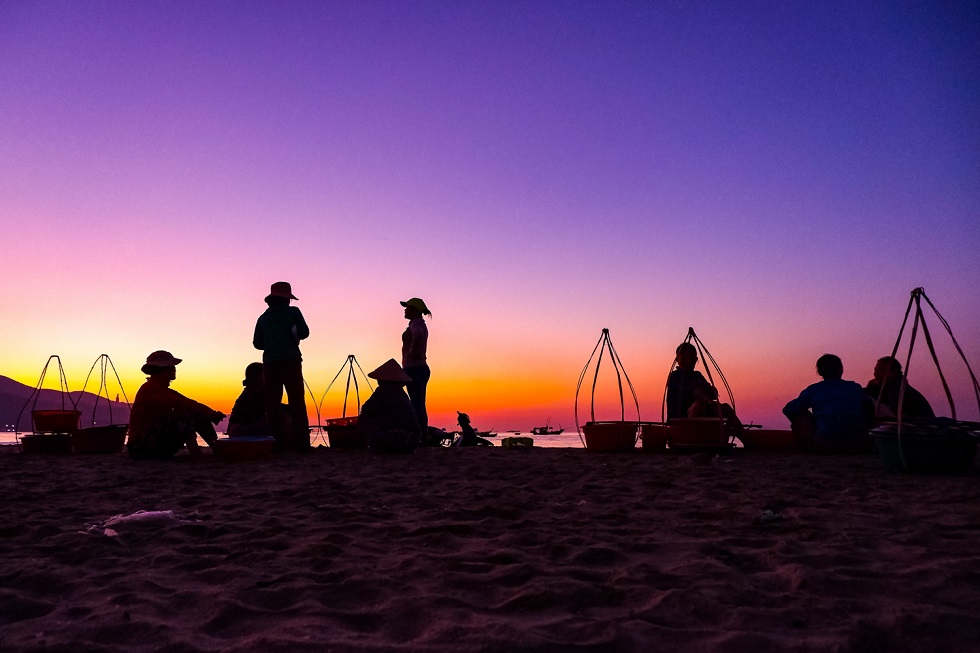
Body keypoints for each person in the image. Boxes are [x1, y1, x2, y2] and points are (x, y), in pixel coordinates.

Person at [127, 351, 225, 460]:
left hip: (152, 443)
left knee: (192, 411)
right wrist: (210, 413)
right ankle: (198, 452)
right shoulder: (150, 389)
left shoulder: (161, 389)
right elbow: (183, 404)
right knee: (185, 413)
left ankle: (217, 448)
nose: (174, 369)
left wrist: (210, 413)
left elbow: (189, 402)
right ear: (161, 369)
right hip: (141, 448)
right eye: (171, 367)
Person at [253, 281, 310, 452]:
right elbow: (305, 333)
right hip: (290, 361)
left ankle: (276, 444)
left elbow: (257, 344)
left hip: (270, 364)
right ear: (287, 299)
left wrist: (273, 343)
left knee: (272, 405)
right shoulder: (293, 312)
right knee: (297, 402)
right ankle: (302, 445)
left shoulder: (262, 318)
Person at [783, 354, 874, 453]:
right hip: (859, 443)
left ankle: (809, 446)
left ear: (820, 372)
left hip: (824, 444)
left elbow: (788, 409)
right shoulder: (854, 387)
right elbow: (869, 407)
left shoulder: (813, 390)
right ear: (841, 370)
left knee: (799, 414)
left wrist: (809, 421)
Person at [666, 342, 742, 427]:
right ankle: (692, 433)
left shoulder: (697, 375)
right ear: (677, 360)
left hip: (701, 417)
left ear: (695, 359)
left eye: (691, 358)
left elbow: (714, 393)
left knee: (725, 408)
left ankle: (745, 437)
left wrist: (710, 395)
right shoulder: (675, 376)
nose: (687, 361)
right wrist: (708, 400)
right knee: (699, 404)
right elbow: (693, 388)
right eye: (683, 358)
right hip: (679, 421)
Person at [358, 359, 420, 454]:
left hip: (399, 437)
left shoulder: (383, 390)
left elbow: (367, 409)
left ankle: (378, 445)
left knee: (363, 418)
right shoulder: (402, 393)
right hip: (413, 440)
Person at [227, 362, 288, 437]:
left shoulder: (251, 390)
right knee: (282, 418)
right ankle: (283, 444)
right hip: (239, 430)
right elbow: (274, 406)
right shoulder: (256, 391)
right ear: (258, 376)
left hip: (235, 429)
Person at [865, 356, 935, 421]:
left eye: (881, 370)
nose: (875, 374)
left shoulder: (895, 388)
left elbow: (896, 411)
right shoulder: (900, 387)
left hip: (915, 427)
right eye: (875, 370)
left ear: (894, 372)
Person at [400, 297, 431, 440]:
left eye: (408, 307)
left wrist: (413, 351)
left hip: (415, 369)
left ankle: (420, 436)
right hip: (416, 369)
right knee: (417, 403)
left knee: (417, 404)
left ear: (415, 310)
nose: (405, 310)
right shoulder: (416, 323)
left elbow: (418, 335)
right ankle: (420, 435)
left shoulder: (417, 323)